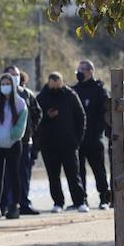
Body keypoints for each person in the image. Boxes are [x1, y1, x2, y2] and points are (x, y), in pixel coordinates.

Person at [35, 71, 88, 212]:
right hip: (49, 145)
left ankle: (80, 201)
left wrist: (78, 139)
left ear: (62, 82)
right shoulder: (42, 97)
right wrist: (47, 116)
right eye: (53, 85)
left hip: (69, 144)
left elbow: (81, 117)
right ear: (48, 83)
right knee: (53, 176)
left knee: (73, 174)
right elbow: (36, 120)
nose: (55, 88)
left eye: (58, 85)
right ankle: (58, 202)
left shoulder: (70, 95)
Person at [0, 72, 29, 220]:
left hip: (13, 144)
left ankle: (15, 206)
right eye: (3, 84)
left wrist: (13, 135)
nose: (5, 86)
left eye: (8, 83)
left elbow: (21, 124)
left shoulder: (19, 103)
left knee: (13, 174)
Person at [72, 59, 112, 208]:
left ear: (90, 71)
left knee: (99, 170)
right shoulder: (74, 90)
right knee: (79, 171)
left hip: (94, 138)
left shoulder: (99, 89)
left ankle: (104, 199)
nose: (79, 73)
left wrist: (97, 133)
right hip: (78, 139)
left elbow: (104, 114)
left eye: (82, 70)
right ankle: (82, 200)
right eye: (78, 70)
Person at [3, 66, 41, 216]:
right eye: (11, 75)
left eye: (17, 75)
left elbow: (37, 113)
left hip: (24, 142)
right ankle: (4, 204)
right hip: (4, 143)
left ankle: (23, 203)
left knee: (23, 174)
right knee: (6, 175)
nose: (14, 78)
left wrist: (30, 129)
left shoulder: (27, 94)